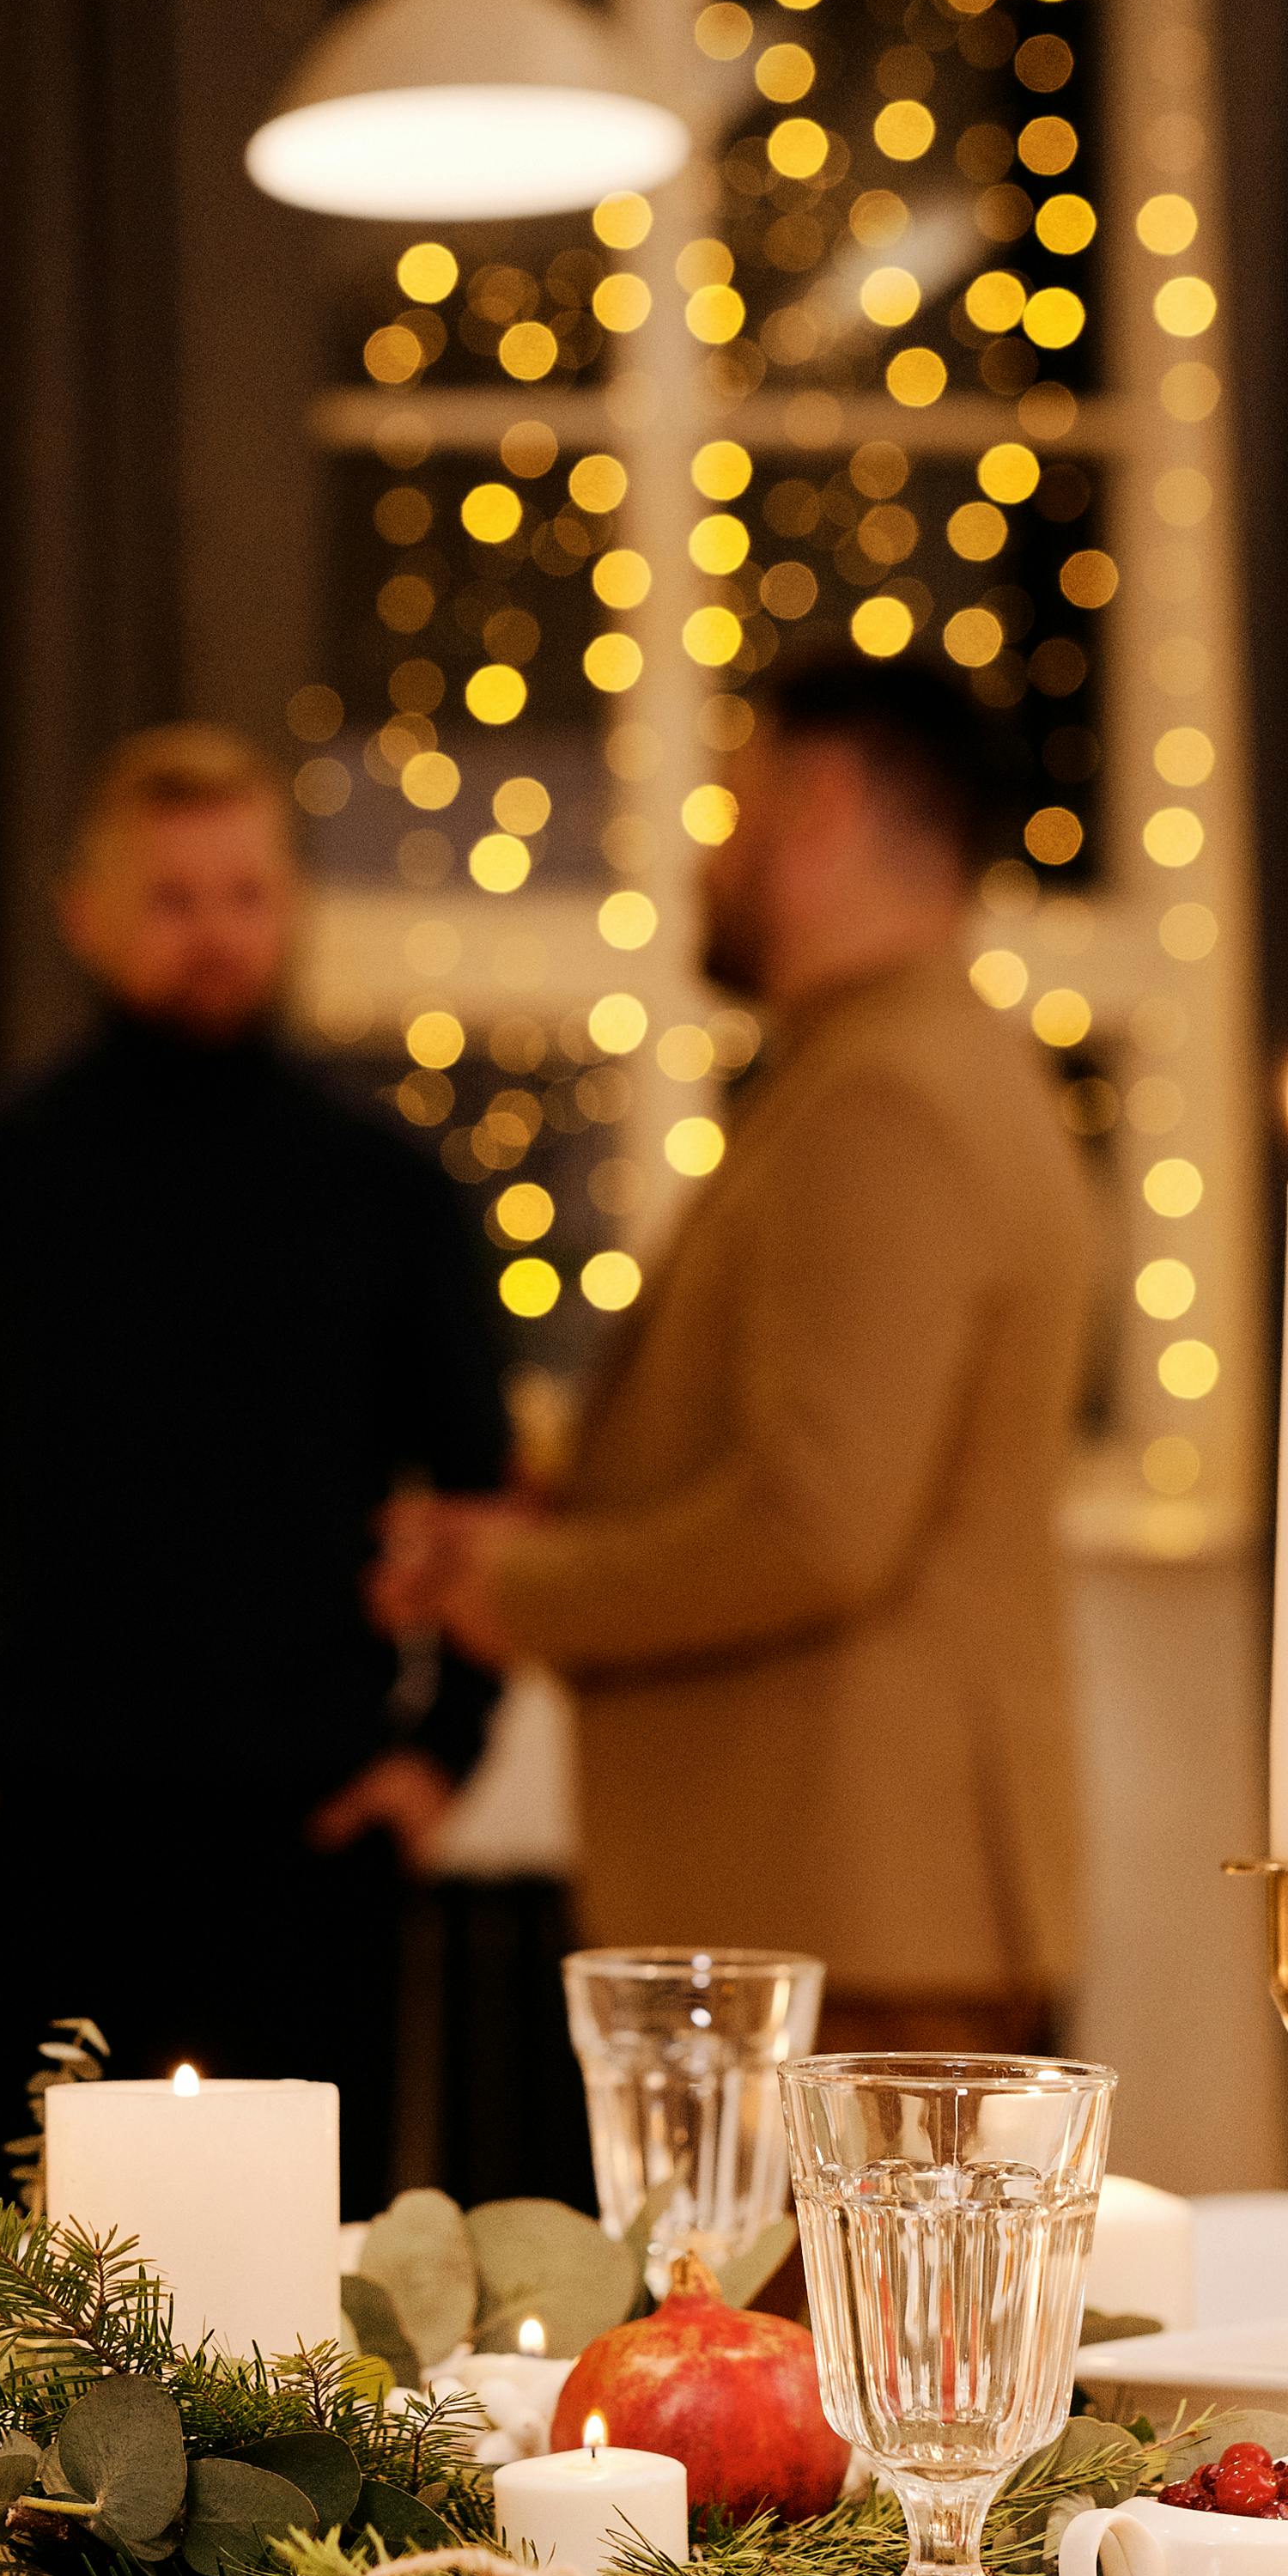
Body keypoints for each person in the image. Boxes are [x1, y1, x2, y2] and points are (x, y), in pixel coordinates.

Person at [379, 651, 1091, 2049]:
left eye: (729, 801)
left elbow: (820, 1520)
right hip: (838, 1903)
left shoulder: (888, 1097)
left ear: (820, 803)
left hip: (855, 1916)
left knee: (825, 2284)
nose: (708, 852)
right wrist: (556, 1518)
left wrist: (526, 1590)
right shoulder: (884, 1067)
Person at [0, 725, 510, 2217]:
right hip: (22, 1830)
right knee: (10, 2289)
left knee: (299, 2306)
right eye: (173, 899)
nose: (215, 934)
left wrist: (447, 1749)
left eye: (245, 895)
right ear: (83, 913)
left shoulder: (387, 1190)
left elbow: (479, 1485)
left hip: (307, 1834)